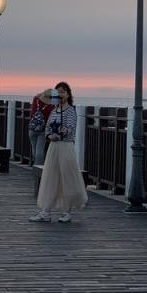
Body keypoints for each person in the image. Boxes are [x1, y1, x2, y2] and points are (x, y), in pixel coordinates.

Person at [29, 82, 88, 223]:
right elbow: (48, 127)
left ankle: (66, 212)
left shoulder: (71, 111)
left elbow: (70, 127)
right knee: (51, 177)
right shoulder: (54, 111)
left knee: (66, 178)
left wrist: (62, 133)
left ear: (68, 94)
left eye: (63, 92)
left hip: (65, 147)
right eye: (58, 92)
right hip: (53, 147)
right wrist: (50, 136)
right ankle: (46, 211)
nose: (60, 95)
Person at [27, 91, 55, 165]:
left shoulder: (35, 100)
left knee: (34, 148)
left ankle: (34, 164)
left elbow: (32, 114)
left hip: (32, 128)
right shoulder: (51, 106)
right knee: (40, 150)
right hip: (42, 130)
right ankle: (38, 168)